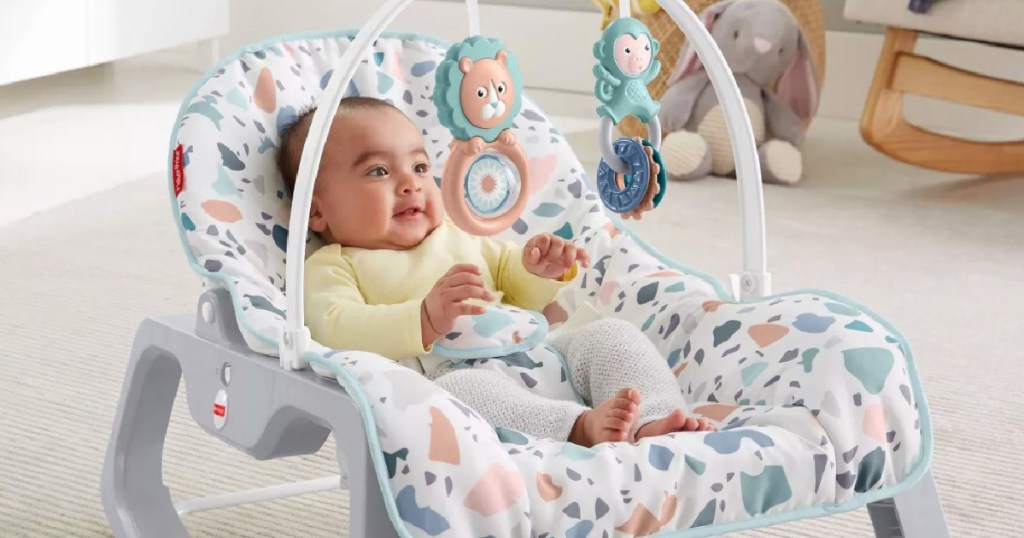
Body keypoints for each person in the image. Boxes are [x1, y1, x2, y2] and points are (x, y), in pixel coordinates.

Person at [276, 96, 714, 447]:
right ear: (317, 211)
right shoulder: (334, 264)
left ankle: (654, 419)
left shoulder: (455, 236)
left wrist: (537, 269)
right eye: (378, 171)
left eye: (420, 167)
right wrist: (423, 319)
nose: (409, 183)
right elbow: (334, 328)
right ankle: (578, 427)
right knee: (463, 398)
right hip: (453, 373)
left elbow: (514, 284)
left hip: (548, 353)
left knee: (611, 336)